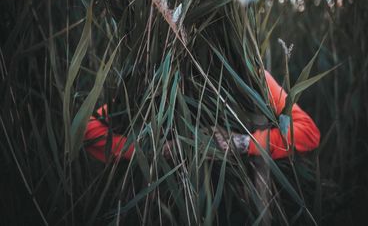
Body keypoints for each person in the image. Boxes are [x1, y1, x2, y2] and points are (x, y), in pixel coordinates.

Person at [84, 70, 320, 162]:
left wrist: (241, 143)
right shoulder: (152, 75)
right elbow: (86, 130)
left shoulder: (250, 76)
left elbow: (308, 133)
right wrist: (154, 150)